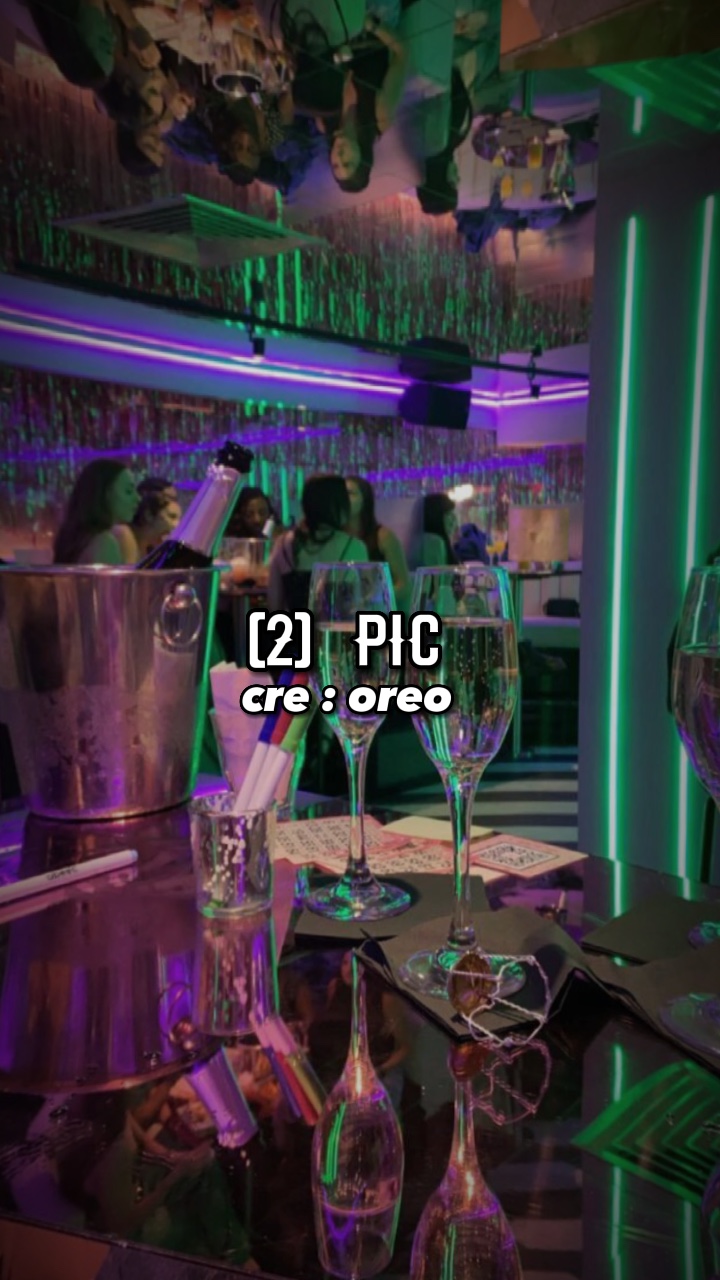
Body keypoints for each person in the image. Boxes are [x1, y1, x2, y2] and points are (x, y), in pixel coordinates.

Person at [327, 17, 409, 193]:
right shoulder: (379, 116)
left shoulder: (326, 123)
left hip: (332, 35)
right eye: (347, 163)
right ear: (363, 157)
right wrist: (372, 25)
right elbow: (402, 53)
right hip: (372, 30)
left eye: (335, 165)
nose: (339, 156)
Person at [268, 474, 366, 612]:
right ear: (339, 505)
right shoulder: (354, 547)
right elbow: (359, 606)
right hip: (337, 626)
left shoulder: (283, 544)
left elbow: (274, 605)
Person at [53, 461, 138, 565]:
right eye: (128, 491)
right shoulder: (103, 543)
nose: (138, 498)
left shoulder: (81, 539)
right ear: (104, 494)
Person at [345, 475, 410, 606]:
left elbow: (404, 586)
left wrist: (375, 599)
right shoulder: (337, 538)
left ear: (365, 499)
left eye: (351, 493)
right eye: (342, 494)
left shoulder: (382, 536)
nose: (345, 499)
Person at [416, 67, 472, 216]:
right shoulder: (434, 148)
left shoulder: (437, 139)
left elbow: (443, 82)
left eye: (453, 183)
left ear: (442, 180)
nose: (458, 178)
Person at [411, 492, 459, 569]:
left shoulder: (419, 539)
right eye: (449, 514)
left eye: (453, 514)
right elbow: (438, 575)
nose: (454, 520)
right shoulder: (434, 542)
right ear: (435, 516)